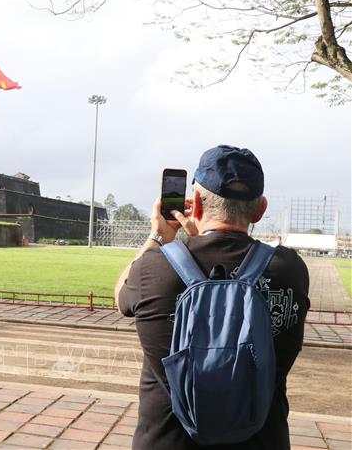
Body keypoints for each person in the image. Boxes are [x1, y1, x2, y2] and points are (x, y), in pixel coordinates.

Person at [114, 145, 310, 450]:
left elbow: (120, 297)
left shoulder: (155, 267)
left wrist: (161, 237)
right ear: (260, 209)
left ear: (195, 204)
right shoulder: (290, 270)